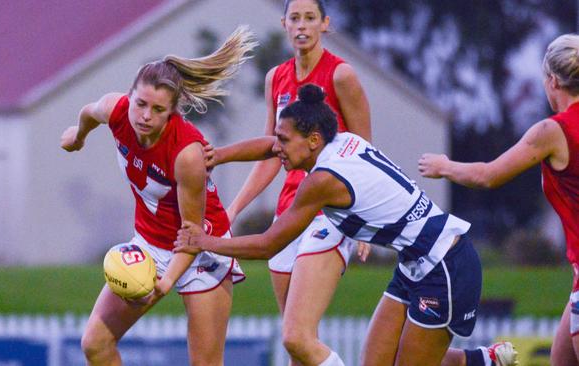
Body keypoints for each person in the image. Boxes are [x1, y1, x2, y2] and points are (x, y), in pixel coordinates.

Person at [177, 84, 517, 366]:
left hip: (446, 268)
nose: (276, 147)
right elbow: (269, 146)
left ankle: (476, 362)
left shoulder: (322, 181)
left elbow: (268, 244)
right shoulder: (337, 140)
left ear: (312, 141)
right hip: (416, 265)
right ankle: (478, 361)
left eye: (283, 139)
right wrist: (218, 154)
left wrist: (204, 242)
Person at [60, 26, 256, 366]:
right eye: (140, 104)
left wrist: (165, 282)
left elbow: (192, 234)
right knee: (95, 344)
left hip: (200, 249)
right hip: (151, 244)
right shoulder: (116, 110)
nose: (145, 116)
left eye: (158, 110)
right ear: (129, 95)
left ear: (173, 113)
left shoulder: (187, 155)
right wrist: (78, 136)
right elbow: (90, 112)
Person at [205, 0, 371, 364]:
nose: (302, 26)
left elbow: (366, 153)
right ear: (284, 23)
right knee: (296, 344)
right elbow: (271, 151)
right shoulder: (276, 78)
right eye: (295, 18)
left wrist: (363, 224)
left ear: (324, 24)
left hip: (331, 210)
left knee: (298, 334)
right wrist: (233, 209)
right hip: (290, 212)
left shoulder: (341, 75)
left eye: (310, 18)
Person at [419, 33, 579, 366]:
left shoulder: (553, 131)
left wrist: (445, 166)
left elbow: (488, 175)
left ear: (552, 81)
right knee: (561, 360)